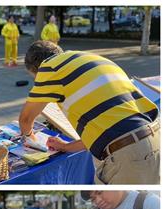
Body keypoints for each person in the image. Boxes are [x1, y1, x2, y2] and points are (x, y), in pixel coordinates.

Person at [18, 41, 159, 184]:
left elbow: (25, 119)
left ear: (36, 69)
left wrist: (31, 141)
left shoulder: (50, 68)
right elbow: (111, 130)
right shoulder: (92, 58)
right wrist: (66, 147)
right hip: (154, 140)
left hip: (128, 155)